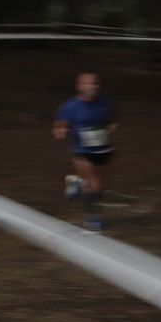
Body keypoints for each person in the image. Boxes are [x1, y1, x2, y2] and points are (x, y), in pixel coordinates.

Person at [52, 72, 118, 231]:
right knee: (94, 185)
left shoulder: (105, 103)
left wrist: (112, 127)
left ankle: (77, 181)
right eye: (87, 84)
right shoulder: (70, 106)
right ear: (79, 86)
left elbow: (112, 120)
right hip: (81, 150)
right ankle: (93, 219)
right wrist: (61, 131)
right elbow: (58, 126)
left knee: (103, 186)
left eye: (94, 84)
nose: (91, 87)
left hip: (103, 149)